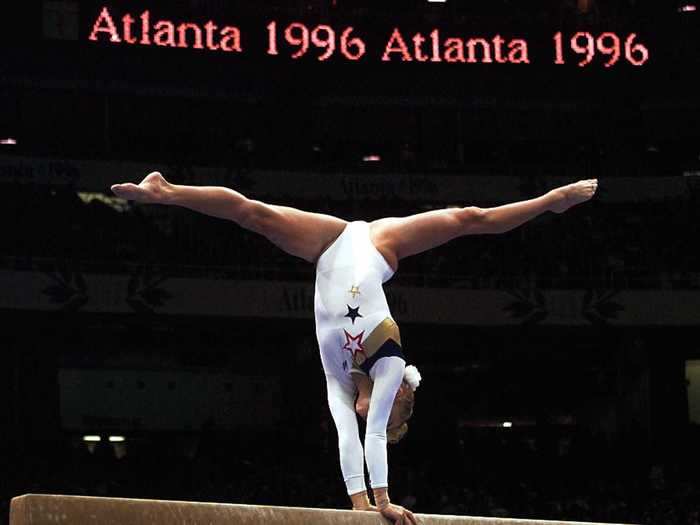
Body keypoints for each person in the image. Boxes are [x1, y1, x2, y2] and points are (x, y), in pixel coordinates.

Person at [111, 173, 597, 524]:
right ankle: (166, 191)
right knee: (468, 216)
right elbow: (377, 439)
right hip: (379, 242)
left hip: (329, 246)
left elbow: (351, 436)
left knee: (254, 216)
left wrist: (361, 504)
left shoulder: (340, 382)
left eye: (383, 416)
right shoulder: (391, 362)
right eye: (396, 411)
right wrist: (383, 499)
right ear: (403, 394)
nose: (378, 415)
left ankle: (166, 194)